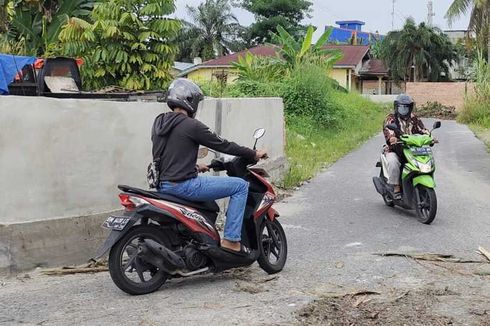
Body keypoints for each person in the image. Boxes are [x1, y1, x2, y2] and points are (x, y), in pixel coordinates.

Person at [152, 78, 267, 255]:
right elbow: (224, 145)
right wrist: (253, 154)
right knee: (240, 186)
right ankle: (231, 240)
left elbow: (169, 153)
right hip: (184, 185)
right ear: (190, 101)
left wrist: (195, 167)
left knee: (211, 202)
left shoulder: (159, 122)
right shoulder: (191, 125)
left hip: (164, 184)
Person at [383, 94, 428, 199]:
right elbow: (389, 131)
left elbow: (422, 129)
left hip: (412, 149)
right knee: (393, 163)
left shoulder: (414, 118)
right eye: (401, 107)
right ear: (396, 107)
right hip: (395, 149)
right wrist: (392, 138)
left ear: (410, 108)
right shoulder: (391, 118)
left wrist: (430, 136)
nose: (403, 109)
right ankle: (396, 186)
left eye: (406, 107)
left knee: (422, 161)